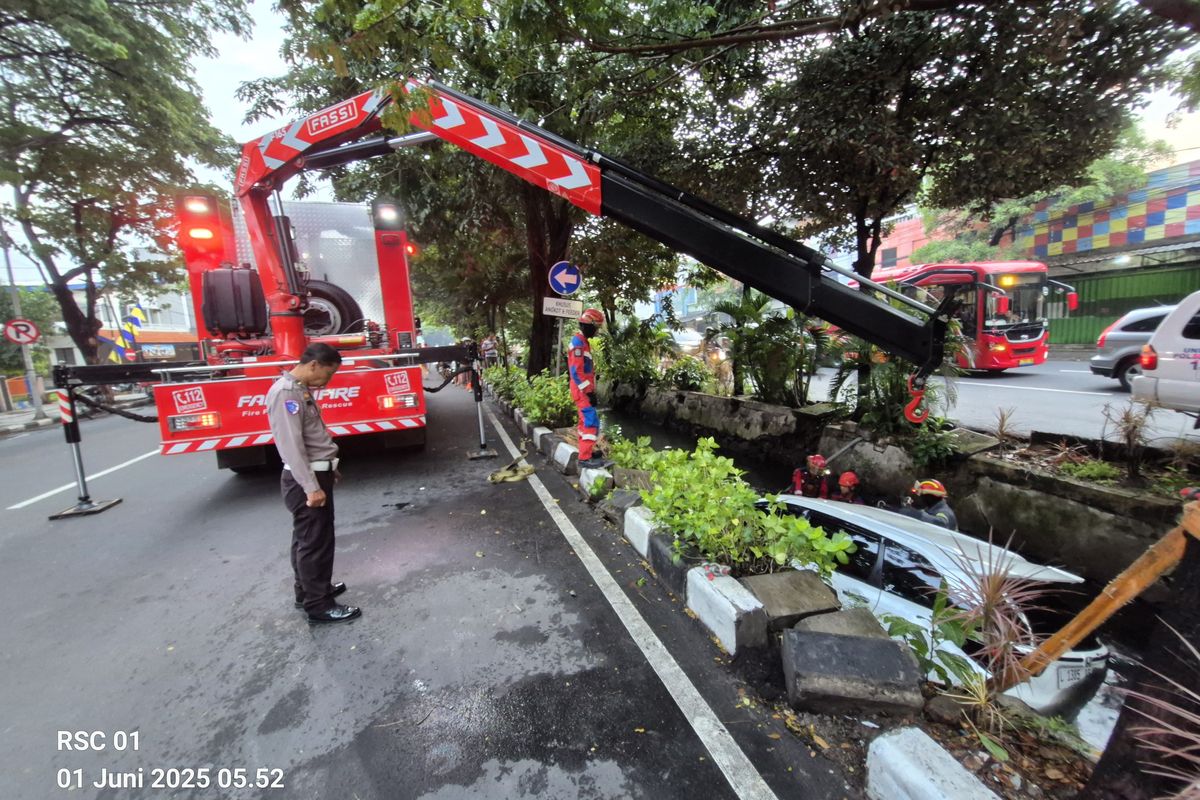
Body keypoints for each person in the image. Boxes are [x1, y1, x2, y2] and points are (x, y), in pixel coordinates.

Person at [266, 343, 361, 624]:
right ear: (314, 365)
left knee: (307, 539)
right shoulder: (287, 393)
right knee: (314, 543)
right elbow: (291, 447)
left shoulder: (298, 388)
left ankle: (307, 591)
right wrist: (311, 486)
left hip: (315, 473)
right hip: (304, 479)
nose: (328, 381)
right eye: (328, 374)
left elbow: (311, 439)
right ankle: (319, 605)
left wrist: (329, 469)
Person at [569, 308, 610, 469]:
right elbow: (576, 372)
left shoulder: (582, 342)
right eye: (596, 327)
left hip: (581, 390)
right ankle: (584, 458)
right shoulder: (578, 344)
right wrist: (589, 392)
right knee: (591, 422)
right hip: (582, 391)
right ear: (589, 325)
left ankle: (585, 451)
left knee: (584, 422)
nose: (597, 331)